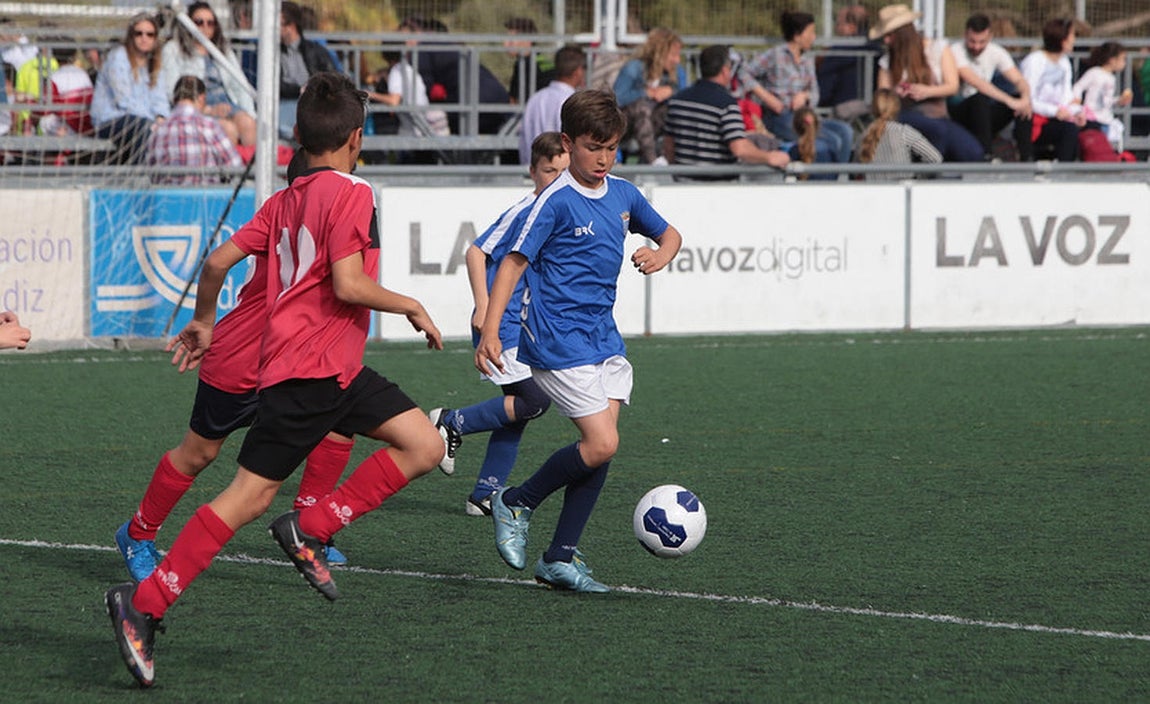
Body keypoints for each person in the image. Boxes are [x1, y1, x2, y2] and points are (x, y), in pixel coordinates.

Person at [105, 72, 446, 688]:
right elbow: (347, 283)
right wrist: (411, 305)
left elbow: (215, 262)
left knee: (425, 443)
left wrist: (204, 320)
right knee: (245, 496)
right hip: (307, 374)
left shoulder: (285, 200)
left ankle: (311, 525)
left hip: (333, 369)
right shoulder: (354, 192)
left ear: (298, 136)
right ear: (356, 137)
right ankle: (144, 604)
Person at [115, 146, 355, 586]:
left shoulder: (338, 213)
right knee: (199, 453)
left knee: (339, 422)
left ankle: (307, 525)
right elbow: (217, 262)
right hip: (241, 359)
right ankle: (137, 534)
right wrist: (204, 321)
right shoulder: (287, 212)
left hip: (292, 360)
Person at [474, 89, 683, 593]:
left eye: (612, 148)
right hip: (556, 341)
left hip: (602, 339)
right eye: (594, 148)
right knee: (603, 441)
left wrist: (661, 255)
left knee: (600, 450)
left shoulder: (624, 194)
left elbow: (670, 233)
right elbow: (513, 263)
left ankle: (559, 557)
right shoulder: (555, 201)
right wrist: (489, 328)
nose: (605, 159)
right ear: (568, 144)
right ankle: (516, 500)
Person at [430, 132, 568, 516]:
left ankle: (484, 495)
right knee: (535, 401)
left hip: (521, 327)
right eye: (548, 171)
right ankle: (451, 421)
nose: (555, 179)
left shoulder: (557, 210)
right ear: (532, 172)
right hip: (498, 322)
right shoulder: (526, 209)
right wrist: (482, 305)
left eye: (563, 172)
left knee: (518, 410)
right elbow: (476, 251)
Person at [663, 44, 791, 180]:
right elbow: (739, 148)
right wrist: (769, 157)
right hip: (717, 185)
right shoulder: (726, 104)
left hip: (683, 183)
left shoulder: (677, 101)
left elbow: (669, 146)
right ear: (725, 71)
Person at [873, 4, 983, 162]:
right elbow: (882, 95)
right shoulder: (887, 61)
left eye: (889, 35)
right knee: (936, 132)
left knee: (973, 152)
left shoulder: (937, 48)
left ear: (902, 34)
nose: (886, 40)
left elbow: (952, 86)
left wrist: (926, 91)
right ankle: (928, 175)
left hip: (938, 116)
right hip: (904, 115)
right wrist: (897, 92)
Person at [742, 11, 854, 164]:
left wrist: (805, 96)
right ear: (797, 35)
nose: (814, 37)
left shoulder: (807, 60)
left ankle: (841, 178)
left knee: (845, 132)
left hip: (805, 116)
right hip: (780, 117)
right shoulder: (775, 55)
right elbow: (744, 73)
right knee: (831, 140)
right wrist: (768, 98)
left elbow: (815, 93)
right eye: (811, 32)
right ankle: (826, 181)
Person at [161, 1, 256, 146]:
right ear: (189, 24)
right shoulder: (173, 49)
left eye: (210, 23)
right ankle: (231, 167)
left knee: (248, 123)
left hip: (226, 101)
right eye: (199, 22)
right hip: (198, 105)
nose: (205, 27)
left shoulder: (223, 50)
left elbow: (240, 85)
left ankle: (253, 166)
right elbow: (172, 88)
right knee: (227, 129)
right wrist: (207, 109)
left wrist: (251, 114)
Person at [949, 13, 1033, 161]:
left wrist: (1024, 98)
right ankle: (986, 156)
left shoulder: (997, 52)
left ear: (990, 37)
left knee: (1021, 103)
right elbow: (976, 82)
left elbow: (1019, 80)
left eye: (982, 42)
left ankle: (1026, 157)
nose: (976, 46)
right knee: (980, 99)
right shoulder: (955, 51)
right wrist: (1009, 100)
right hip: (960, 111)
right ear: (965, 35)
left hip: (983, 115)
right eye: (972, 41)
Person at [90, 13, 170, 165]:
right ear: (131, 36)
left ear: (155, 38)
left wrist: (161, 117)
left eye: (150, 34)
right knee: (142, 129)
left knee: (169, 130)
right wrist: (152, 122)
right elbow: (124, 100)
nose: (144, 38)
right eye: (138, 33)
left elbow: (160, 99)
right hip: (110, 119)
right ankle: (138, 180)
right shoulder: (118, 57)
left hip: (142, 120)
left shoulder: (155, 63)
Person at [146, 75, 243, 184]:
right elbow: (235, 166)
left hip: (167, 199)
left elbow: (151, 174)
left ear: (174, 100)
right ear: (202, 99)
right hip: (207, 198)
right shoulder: (210, 126)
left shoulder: (159, 131)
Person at [612, 27, 687, 164]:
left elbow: (686, 101)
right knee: (642, 108)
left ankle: (672, 158)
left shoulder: (677, 72)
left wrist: (672, 92)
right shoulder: (634, 67)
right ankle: (653, 161)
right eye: (673, 54)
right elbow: (617, 99)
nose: (677, 60)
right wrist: (646, 93)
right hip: (630, 124)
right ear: (660, 52)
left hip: (656, 123)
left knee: (673, 111)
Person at [1019, 18, 1083, 162]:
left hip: (1056, 117)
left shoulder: (1064, 62)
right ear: (1063, 40)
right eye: (1072, 36)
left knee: (1084, 127)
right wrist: (1054, 111)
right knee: (1068, 131)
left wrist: (1076, 111)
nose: (1074, 40)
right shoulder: (1035, 61)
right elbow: (1027, 97)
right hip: (1035, 120)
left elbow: (1066, 96)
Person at [278, 1, 339, 140]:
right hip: (287, 102)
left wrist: (314, 89)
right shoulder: (272, 55)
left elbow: (333, 78)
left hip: (314, 101)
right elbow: (276, 85)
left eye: (278, 24)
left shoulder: (316, 51)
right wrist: (299, 89)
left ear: (290, 26)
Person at [517, 44, 585, 165]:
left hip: (533, 174)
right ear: (579, 71)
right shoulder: (573, 102)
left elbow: (523, 141)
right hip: (561, 174)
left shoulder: (536, 99)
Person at [857, 87, 941, 180]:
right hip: (903, 191)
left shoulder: (863, 136)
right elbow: (935, 159)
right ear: (896, 108)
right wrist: (918, 178)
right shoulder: (903, 132)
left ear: (873, 109)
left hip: (873, 192)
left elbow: (855, 172)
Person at [816, 5, 877, 122]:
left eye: (839, 23)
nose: (836, 27)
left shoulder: (837, 53)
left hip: (841, 113)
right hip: (872, 111)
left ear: (852, 27)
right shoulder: (878, 49)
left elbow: (823, 90)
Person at [1073, 41, 1133, 152]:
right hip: (1092, 119)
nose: (1124, 63)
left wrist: (1119, 100)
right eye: (1122, 59)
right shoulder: (1094, 72)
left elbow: (1106, 100)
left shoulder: (1111, 78)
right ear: (1112, 60)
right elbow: (1078, 86)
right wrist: (1077, 102)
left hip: (1106, 120)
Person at [504, 17, 556, 103]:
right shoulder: (542, 59)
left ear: (527, 40)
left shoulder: (524, 64)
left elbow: (515, 100)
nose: (505, 44)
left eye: (511, 40)